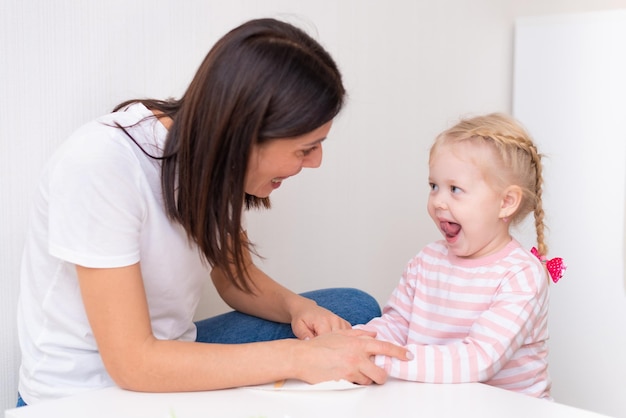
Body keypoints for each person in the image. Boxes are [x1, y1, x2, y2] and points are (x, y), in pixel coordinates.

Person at [16, 18, 411, 407]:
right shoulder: (100, 164)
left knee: (351, 310)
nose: (315, 162)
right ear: (245, 132)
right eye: (306, 148)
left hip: (170, 351)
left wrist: (298, 309)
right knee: (324, 348)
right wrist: (300, 358)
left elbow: (231, 276)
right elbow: (132, 364)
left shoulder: (209, 160)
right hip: (91, 392)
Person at [356, 113, 566, 399]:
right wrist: (360, 344)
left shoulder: (520, 275)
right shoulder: (426, 261)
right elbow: (396, 324)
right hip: (440, 401)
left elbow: (479, 359)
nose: (438, 201)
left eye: (455, 189)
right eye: (434, 186)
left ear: (506, 202)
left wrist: (382, 359)